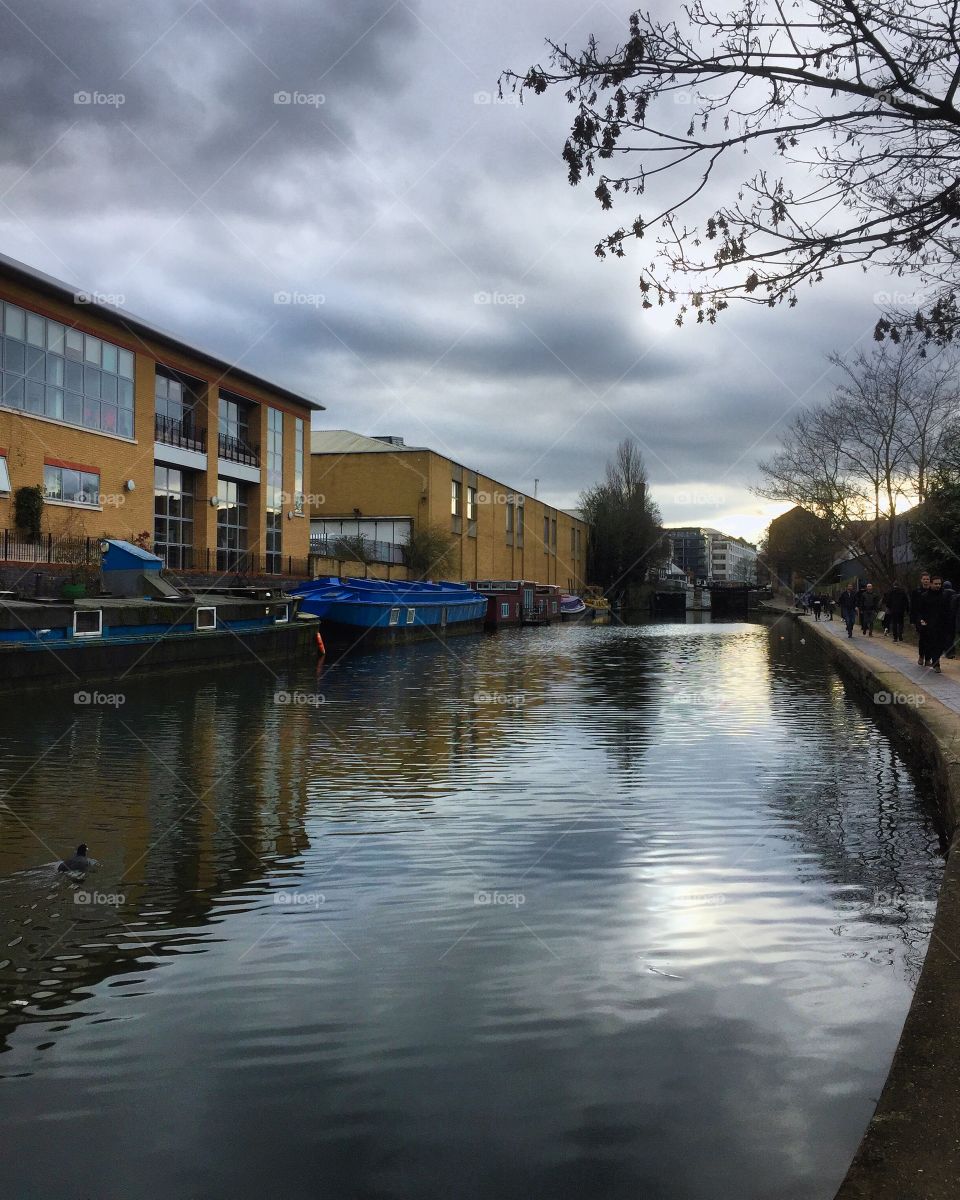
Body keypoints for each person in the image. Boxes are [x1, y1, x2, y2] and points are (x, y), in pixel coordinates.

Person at [917, 576, 950, 671]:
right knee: (932, 643)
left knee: (940, 644)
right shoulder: (925, 596)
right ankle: (936, 663)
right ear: (931, 584)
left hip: (942, 624)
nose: (938, 586)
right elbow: (920, 610)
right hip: (929, 625)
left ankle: (934, 659)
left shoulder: (944, 596)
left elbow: (948, 610)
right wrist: (921, 620)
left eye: (939, 584)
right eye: (936, 584)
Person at [943, 580, 957, 658]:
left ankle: (947, 651)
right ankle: (952, 651)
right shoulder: (954, 594)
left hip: (944, 618)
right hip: (952, 618)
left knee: (945, 635)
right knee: (951, 636)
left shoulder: (942, 593)